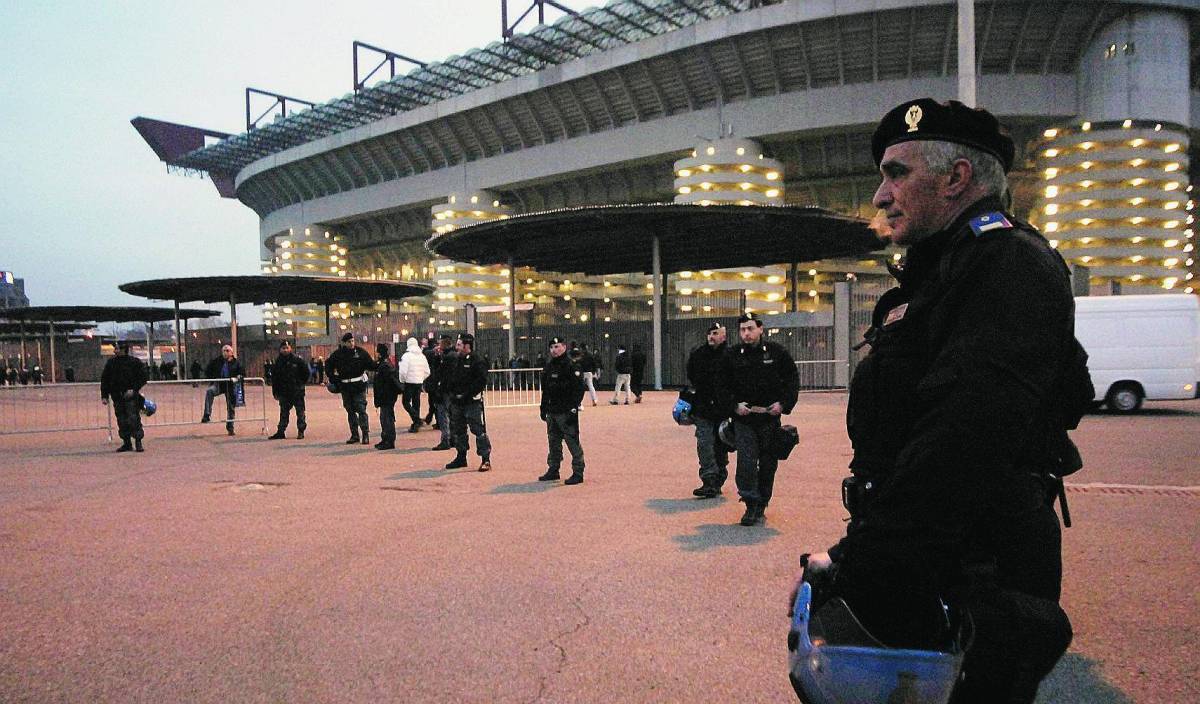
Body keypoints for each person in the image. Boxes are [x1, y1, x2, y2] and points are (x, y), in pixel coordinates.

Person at [794, 99, 1082, 704]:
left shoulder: (1008, 265)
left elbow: (960, 441)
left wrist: (864, 569)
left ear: (956, 179)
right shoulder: (939, 275)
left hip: (976, 565)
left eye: (897, 172)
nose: (879, 195)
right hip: (929, 552)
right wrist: (853, 552)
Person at [719, 312, 799, 526]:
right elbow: (722, 386)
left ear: (760, 329)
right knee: (746, 462)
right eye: (743, 330)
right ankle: (750, 503)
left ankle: (762, 501)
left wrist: (783, 404)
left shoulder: (776, 353)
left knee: (767, 463)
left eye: (750, 328)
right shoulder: (732, 355)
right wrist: (734, 406)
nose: (746, 333)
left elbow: (792, 379)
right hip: (744, 420)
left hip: (769, 419)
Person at [687, 322, 730, 498]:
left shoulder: (730, 356)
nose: (711, 337)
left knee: (721, 445)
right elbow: (691, 377)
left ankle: (719, 476)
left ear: (723, 336)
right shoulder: (698, 354)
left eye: (715, 333)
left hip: (723, 410)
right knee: (704, 443)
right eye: (709, 334)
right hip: (703, 408)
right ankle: (709, 480)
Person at [537, 337, 587, 485]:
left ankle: (578, 472)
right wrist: (543, 407)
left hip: (566, 410)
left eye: (557, 346)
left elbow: (578, 389)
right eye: (552, 347)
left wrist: (573, 408)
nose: (554, 350)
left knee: (572, 441)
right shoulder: (549, 366)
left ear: (564, 347)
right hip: (552, 410)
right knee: (553, 441)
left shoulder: (571, 366)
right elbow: (545, 390)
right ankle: (554, 469)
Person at [442, 333, 491, 471]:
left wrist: (466, 394)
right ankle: (461, 457)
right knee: (459, 431)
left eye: (459, 344)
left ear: (467, 345)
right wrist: (452, 394)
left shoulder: (477, 360)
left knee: (478, 430)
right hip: (457, 402)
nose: (456, 347)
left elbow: (480, 381)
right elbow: (451, 379)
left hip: (471, 402)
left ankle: (485, 459)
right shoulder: (457, 360)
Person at [326, 333, 376, 445]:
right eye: (349, 341)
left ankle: (365, 433)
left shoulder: (360, 352)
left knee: (361, 409)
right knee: (350, 411)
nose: (352, 343)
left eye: (353, 341)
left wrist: (379, 363)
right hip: (345, 387)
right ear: (344, 343)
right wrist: (334, 378)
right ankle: (354, 435)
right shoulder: (338, 354)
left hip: (358, 385)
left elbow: (371, 365)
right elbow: (328, 365)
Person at [100, 341, 148, 452]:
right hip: (117, 396)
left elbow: (143, 377)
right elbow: (105, 380)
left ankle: (138, 442)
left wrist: (134, 389)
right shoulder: (111, 363)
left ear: (123, 349)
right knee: (121, 420)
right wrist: (104, 395)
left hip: (131, 396)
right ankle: (126, 443)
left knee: (133, 419)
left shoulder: (134, 362)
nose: (114, 351)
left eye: (116, 348)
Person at [268, 340, 309, 440]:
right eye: (283, 348)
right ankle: (281, 432)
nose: (285, 350)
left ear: (290, 348)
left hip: (297, 391)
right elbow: (275, 379)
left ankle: (301, 431)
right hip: (284, 392)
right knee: (284, 413)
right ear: (280, 350)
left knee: (300, 412)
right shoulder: (278, 362)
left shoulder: (297, 360)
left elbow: (306, 373)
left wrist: (301, 384)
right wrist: (275, 392)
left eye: (287, 348)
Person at [202, 345, 244, 436]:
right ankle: (207, 414)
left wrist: (239, 376)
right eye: (224, 350)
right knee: (210, 391)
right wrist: (212, 378)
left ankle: (230, 427)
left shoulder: (236, 363)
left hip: (230, 386)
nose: (225, 352)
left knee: (231, 408)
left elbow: (241, 372)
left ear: (231, 352)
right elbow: (208, 370)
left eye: (228, 350)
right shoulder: (217, 361)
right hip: (219, 384)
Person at [397, 337, 431, 433]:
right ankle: (416, 423)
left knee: (406, 402)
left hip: (409, 382)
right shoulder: (422, 356)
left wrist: (402, 380)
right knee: (416, 402)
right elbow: (427, 372)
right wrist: (420, 378)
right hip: (418, 382)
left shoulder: (406, 356)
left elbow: (403, 371)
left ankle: (416, 420)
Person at [372, 342, 402, 450]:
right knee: (384, 418)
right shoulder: (384, 364)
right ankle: (385, 439)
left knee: (387, 418)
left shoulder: (385, 366)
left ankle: (389, 440)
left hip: (386, 397)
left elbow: (386, 383)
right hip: (386, 397)